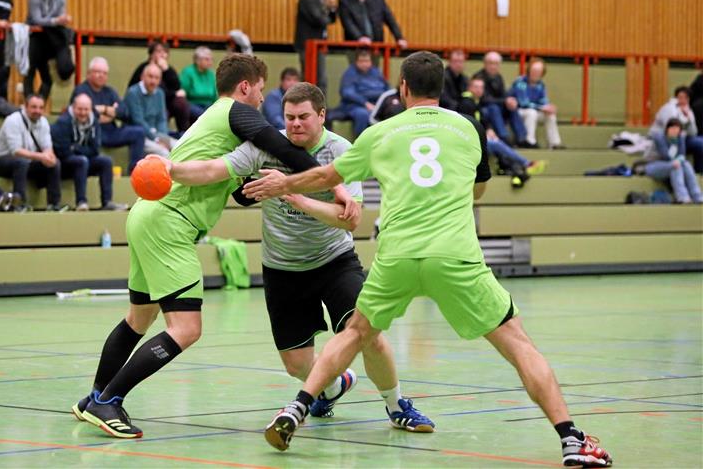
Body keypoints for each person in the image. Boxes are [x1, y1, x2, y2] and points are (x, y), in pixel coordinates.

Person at [245, 51, 613, 468]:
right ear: (443, 88)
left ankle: (298, 406)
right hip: (454, 256)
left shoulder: (380, 132)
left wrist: (284, 184)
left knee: (355, 333)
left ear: (402, 88)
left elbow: (326, 177)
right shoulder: (470, 128)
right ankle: (570, 439)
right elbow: (478, 192)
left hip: (398, 254)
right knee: (517, 343)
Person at [73, 54, 359, 439]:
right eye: (259, 91)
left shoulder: (214, 127)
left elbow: (232, 185)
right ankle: (111, 400)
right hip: (170, 224)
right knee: (186, 328)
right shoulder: (232, 112)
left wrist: (262, 187)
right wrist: (336, 184)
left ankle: (94, 398)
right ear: (245, 87)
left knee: (138, 318)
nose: (261, 101)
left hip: (147, 217)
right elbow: (281, 144)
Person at [167, 81, 434, 429]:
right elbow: (215, 169)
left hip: (335, 261)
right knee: (295, 363)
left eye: (303, 117)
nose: (295, 124)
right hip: (283, 267)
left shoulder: (341, 150)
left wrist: (292, 194)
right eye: (289, 117)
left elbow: (348, 219)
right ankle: (334, 385)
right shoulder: (266, 146)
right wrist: (169, 168)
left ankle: (396, 404)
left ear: (321, 116)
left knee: (368, 334)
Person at [458, 78, 545, 187]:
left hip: (476, 139)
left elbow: (481, 120)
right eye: (476, 87)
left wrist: (489, 130)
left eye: (481, 87)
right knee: (496, 143)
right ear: (469, 88)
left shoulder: (475, 102)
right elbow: (468, 125)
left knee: (496, 141)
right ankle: (525, 164)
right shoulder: (466, 103)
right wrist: (484, 134)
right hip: (469, 142)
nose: (479, 90)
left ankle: (515, 168)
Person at [51, 94, 128, 211]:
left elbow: (95, 149)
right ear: (73, 107)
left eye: (86, 109)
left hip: (83, 159)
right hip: (64, 164)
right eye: (80, 109)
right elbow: (63, 151)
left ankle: (107, 202)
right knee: (81, 161)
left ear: (91, 109)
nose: (83, 113)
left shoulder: (94, 121)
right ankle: (81, 202)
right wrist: (82, 151)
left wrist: (75, 148)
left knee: (105, 161)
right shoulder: (62, 122)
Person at [71, 57, 146, 173]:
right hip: (91, 134)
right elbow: (84, 116)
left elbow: (124, 111)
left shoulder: (110, 91)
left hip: (112, 132)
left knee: (139, 132)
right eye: (97, 72)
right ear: (89, 73)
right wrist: (107, 110)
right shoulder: (81, 90)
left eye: (104, 73)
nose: (101, 76)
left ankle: (135, 171)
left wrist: (106, 111)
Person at [0, 94, 63, 211]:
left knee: (55, 163)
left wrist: (50, 157)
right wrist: (42, 156)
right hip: (1, 161)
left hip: (27, 160)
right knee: (21, 162)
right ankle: (19, 203)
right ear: (25, 107)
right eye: (34, 107)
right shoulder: (13, 120)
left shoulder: (43, 122)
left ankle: (54, 204)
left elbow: (47, 147)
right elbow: (16, 151)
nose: (37, 111)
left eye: (40, 108)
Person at [24, 0, 74, 100]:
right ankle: (29, 103)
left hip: (51, 38)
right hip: (35, 38)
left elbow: (52, 19)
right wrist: (56, 20)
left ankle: (39, 105)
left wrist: (53, 20)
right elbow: (36, 20)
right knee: (30, 71)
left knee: (49, 78)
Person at [338, 0, 407, 63]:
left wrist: (399, 38)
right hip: (355, 47)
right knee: (356, 74)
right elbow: (347, 23)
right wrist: (359, 37)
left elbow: (389, 19)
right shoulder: (344, 0)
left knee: (373, 73)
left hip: (375, 46)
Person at [128, 41, 190, 134]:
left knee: (182, 103)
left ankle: (183, 134)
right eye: (158, 51)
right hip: (148, 104)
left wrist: (166, 70)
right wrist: (174, 94)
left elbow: (177, 87)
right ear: (151, 54)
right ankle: (160, 134)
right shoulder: (144, 68)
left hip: (166, 101)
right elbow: (144, 89)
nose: (162, 55)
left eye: (165, 52)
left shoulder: (168, 69)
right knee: (163, 113)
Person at [294, 0, 338, 96]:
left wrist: (332, 6)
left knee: (321, 79)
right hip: (308, 44)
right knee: (310, 78)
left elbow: (332, 19)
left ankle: (320, 109)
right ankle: (309, 108)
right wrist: (326, 8)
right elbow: (318, 19)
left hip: (319, 44)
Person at [507, 58, 563, 149]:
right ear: (529, 70)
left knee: (550, 115)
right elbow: (523, 103)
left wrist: (548, 107)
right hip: (518, 112)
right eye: (534, 71)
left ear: (542, 73)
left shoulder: (541, 85)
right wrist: (541, 108)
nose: (535, 74)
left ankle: (555, 143)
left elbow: (543, 100)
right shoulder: (520, 82)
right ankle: (530, 141)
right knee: (531, 113)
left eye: (538, 72)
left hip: (535, 110)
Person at [473, 51, 527, 146]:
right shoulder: (479, 77)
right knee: (494, 108)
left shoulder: (498, 77)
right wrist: (504, 101)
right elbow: (484, 99)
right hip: (483, 109)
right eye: (491, 63)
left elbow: (503, 95)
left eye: (496, 64)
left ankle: (522, 138)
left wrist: (509, 100)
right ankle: (504, 137)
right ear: (485, 64)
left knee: (511, 107)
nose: (493, 66)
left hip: (497, 107)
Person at [645, 118, 702, 204]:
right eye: (672, 128)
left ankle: (697, 196)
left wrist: (679, 159)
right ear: (667, 129)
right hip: (653, 165)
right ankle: (682, 197)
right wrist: (678, 159)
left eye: (677, 129)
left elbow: (682, 154)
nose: (674, 131)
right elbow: (666, 156)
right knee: (675, 165)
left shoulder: (680, 138)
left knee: (685, 164)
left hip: (672, 165)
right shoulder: (660, 138)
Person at [336, 49, 390, 137]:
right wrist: (365, 103)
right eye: (361, 61)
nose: (364, 64)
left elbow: (387, 87)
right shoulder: (350, 73)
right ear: (356, 62)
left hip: (377, 103)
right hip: (355, 105)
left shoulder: (376, 72)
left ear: (371, 62)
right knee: (363, 114)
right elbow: (347, 93)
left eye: (367, 61)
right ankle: (359, 142)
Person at [650, 86, 703, 174]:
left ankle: (699, 172)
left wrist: (688, 118)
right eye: (680, 97)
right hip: (664, 139)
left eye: (686, 98)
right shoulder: (669, 109)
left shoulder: (688, 110)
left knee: (700, 142)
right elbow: (671, 130)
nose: (683, 100)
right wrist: (684, 121)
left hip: (681, 139)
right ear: (676, 97)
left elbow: (694, 133)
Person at [123, 63, 171, 157]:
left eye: (157, 78)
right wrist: (156, 139)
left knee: (179, 147)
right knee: (165, 153)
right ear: (142, 77)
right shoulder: (133, 93)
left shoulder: (160, 93)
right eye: (150, 76)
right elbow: (138, 121)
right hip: (140, 135)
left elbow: (161, 119)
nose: (153, 81)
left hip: (156, 135)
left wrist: (163, 138)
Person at [179, 46, 217, 121]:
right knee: (204, 116)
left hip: (209, 105)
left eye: (211, 59)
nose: (210, 62)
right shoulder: (188, 72)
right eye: (207, 59)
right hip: (192, 104)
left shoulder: (211, 74)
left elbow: (215, 95)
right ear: (197, 60)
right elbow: (182, 93)